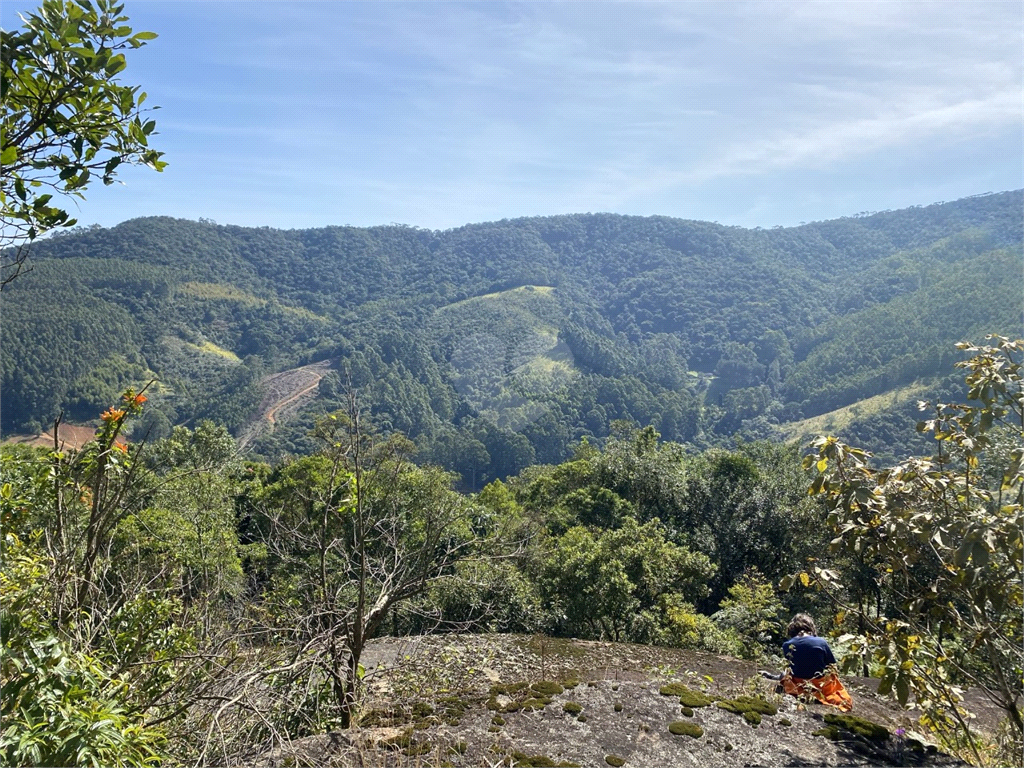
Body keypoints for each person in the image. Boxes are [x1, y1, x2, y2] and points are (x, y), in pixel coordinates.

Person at [778, 613, 853, 712]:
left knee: (785, 674)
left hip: (798, 685)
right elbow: (831, 665)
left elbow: (790, 666)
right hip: (821, 685)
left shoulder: (786, 645)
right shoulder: (821, 642)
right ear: (810, 627)